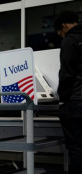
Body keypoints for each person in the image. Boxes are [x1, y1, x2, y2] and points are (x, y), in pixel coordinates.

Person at [54, 10, 82, 174]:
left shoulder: (70, 41)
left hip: (76, 102)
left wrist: (61, 98)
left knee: (76, 147)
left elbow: (67, 74)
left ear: (64, 26)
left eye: (60, 34)